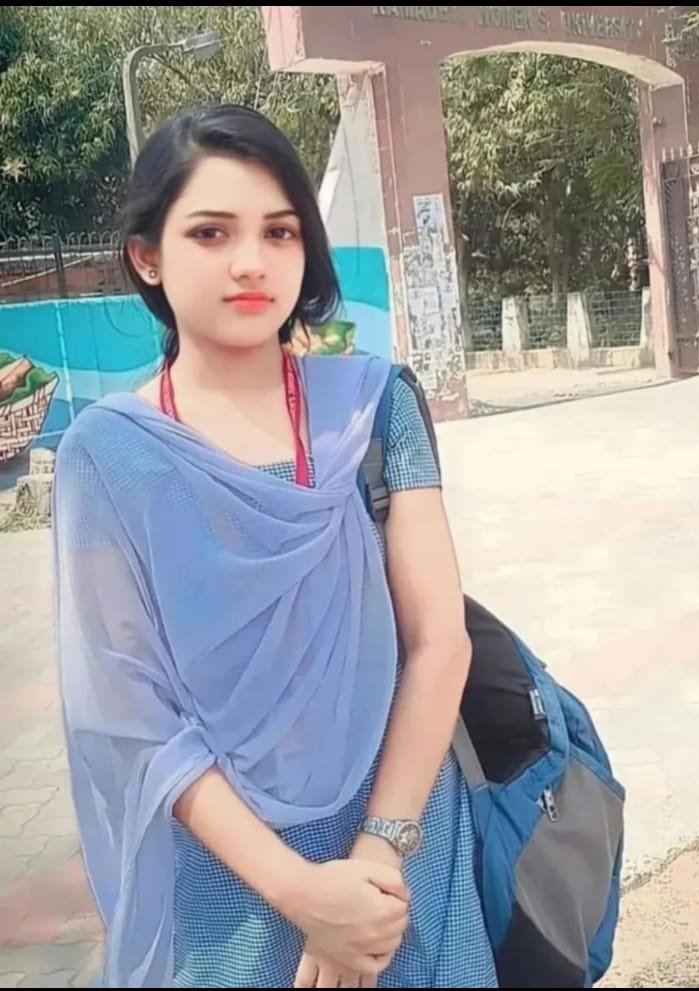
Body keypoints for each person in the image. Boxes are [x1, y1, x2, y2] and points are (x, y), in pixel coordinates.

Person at [52, 103, 498, 990]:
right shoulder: (108, 456)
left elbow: (438, 641)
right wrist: (302, 893)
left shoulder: (372, 408)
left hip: (401, 844)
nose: (252, 261)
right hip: (232, 878)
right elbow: (132, 715)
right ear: (147, 256)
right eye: (211, 232)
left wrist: (375, 860)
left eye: (280, 231)